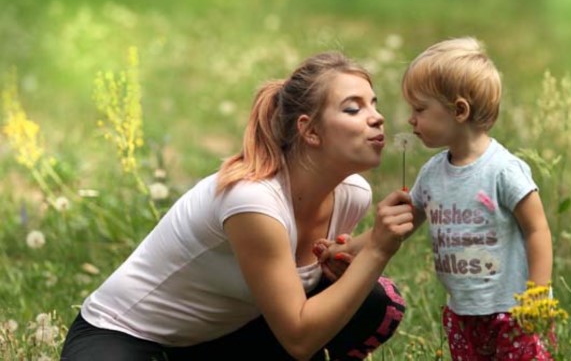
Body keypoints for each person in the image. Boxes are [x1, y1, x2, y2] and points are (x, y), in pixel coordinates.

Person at [60, 51, 415, 361]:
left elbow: (302, 298)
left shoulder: (353, 193)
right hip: (128, 335)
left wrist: (340, 264)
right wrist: (377, 250)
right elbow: (299, 337)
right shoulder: (253, 201)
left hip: (218, 339)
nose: (377, 117)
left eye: (374, 104)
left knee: (374, 300)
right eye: (353, 108)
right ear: (310, 132)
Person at [401, 36, 555, 359]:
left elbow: (537, 229)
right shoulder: (431, 175)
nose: (411, 119)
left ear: (459, 110)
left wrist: (537, 294)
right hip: (463, 312)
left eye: (419, 109)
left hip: (512, 310)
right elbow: (400, 226)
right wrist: (352, 249)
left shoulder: (503, 170)